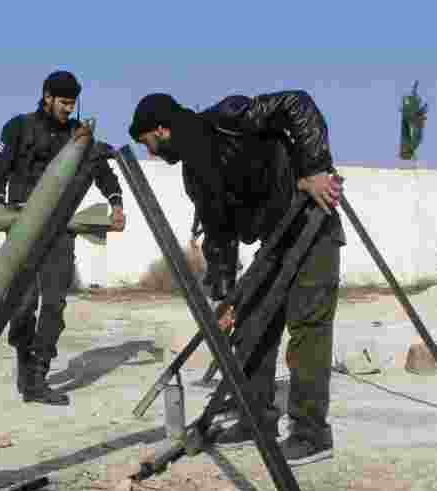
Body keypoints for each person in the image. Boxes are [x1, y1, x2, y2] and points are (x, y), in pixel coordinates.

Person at [128, 90, 345, 465]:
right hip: (274, 240)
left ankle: (312, 435)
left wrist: (313, 168)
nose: (150, 153)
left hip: (311, 226)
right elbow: (219, 233)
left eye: (148, 142)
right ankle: (254, 419)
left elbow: (297, 102)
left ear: (161, 129)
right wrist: (226, 295)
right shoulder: (195, 173)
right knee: (250, 322)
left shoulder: (228, 120)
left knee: (307, 327)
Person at [0, 70, 126, 406]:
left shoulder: (80, 136)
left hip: (60, 229)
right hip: (22, 226)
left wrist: (116, 203)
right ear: (47, 97)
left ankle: (38, 375)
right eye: (63, 102)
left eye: (72, 102)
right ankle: (23, 356)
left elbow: (102, 172)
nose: (68, 108)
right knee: (22, 303)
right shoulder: (18, 128)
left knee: (54, 303)